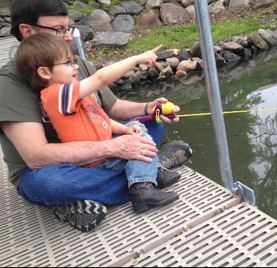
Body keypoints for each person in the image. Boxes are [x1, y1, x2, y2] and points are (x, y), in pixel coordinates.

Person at [0, 0, 193, 232]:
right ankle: (149, 171)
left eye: (67, 29)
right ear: (27, 31)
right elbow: (36, 156)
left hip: (97, 148)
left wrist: (148, 109)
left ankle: (122, 181)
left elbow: (109, 109)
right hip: (52, 168)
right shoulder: (8, 83)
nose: (69, 37)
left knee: (151, 125)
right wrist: (115, 149)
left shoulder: (73, 63)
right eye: (58, 30)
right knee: (49, 185)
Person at [16, 32, 182, 218]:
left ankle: (147, 173)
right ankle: (143, 185)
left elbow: (101, 118)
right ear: (45, 72)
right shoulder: (55, 94)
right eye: (68, 62)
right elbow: (100, 79)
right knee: (51, 183)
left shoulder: (75, 92)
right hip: (96, 160)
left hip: (108, 146)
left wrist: (126, 129)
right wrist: (136, 58)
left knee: (141, 126)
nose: (75, 66)